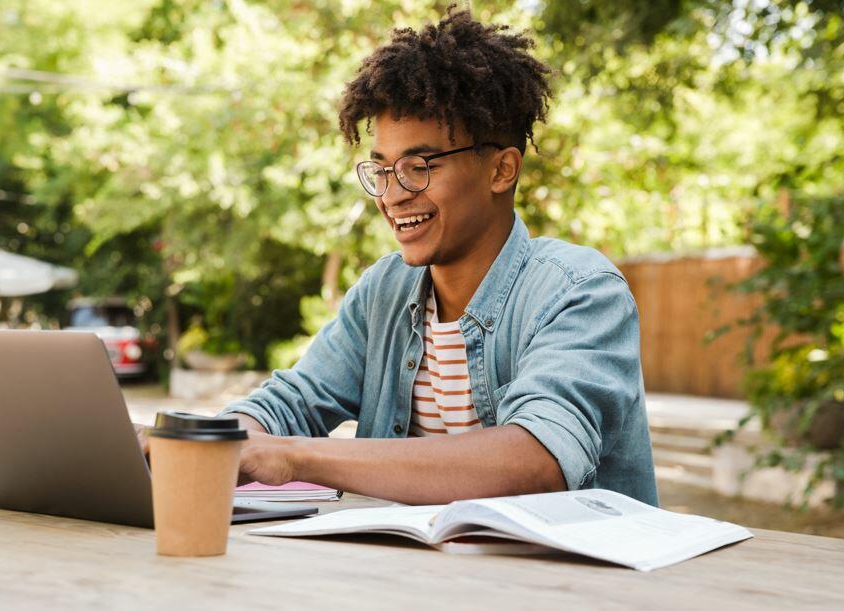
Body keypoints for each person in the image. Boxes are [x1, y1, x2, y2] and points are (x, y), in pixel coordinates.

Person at [142, 7, 658, 506]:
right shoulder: (383, 293)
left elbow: (535, 460)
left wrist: (295, 458)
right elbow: (291, 405)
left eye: (419, 165)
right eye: (382, 170)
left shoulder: (580, 290)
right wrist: (196, 442)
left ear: (502, 170)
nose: (391, 195)